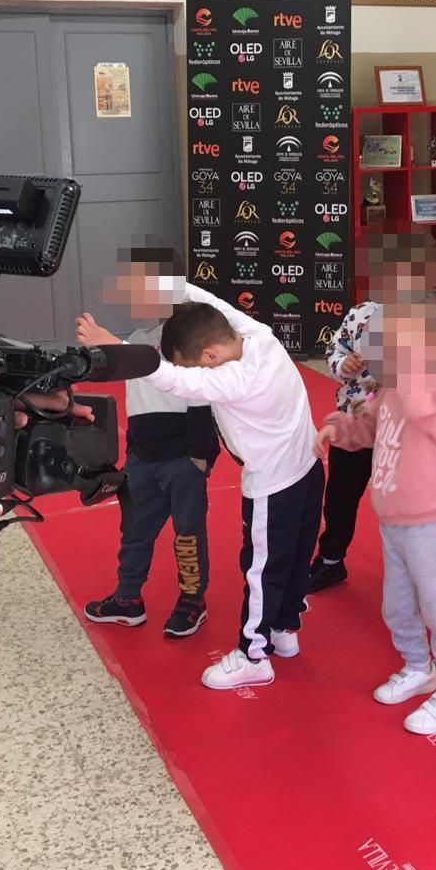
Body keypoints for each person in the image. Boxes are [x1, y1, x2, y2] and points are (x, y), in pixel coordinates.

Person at [87, 284, 322, 690]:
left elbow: (171, 379)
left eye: (200, 366)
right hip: (308, 468)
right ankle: (284, 628)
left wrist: (113, 346)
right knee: (295, 555)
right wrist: (168, 284)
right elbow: (215, 303)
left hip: (273, 484)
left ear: (210, 356)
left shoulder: (233, 379)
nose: (200, 374)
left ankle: (253, 655)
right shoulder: (257, 335)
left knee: (261, 568)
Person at [317, 289, 436, 737]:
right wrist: (337, 426)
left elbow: (417, 402)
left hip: (427, 518)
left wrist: (402, 360)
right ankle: (416, 667)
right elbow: (367, 426)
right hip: (393, 520)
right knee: (397, 606)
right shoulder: (388, 389)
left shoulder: (431, 386)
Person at [76, 250, 219, 637]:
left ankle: (192, 599)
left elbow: (174, 377)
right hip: (142, 457)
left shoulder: (186, 334)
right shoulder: (138, 339)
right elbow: (120, 364)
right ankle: (127, 598)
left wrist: (200, 455)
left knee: (187, 533)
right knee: (134, 529)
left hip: (184, 457)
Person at [308, 295, 382, 592]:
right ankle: (330, 560)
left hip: (401, 429)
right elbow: (333, 349)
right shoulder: (360, 313)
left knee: (404, 506)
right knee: (340, 496)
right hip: (353, 420)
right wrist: (343, 363)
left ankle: (411, 572)